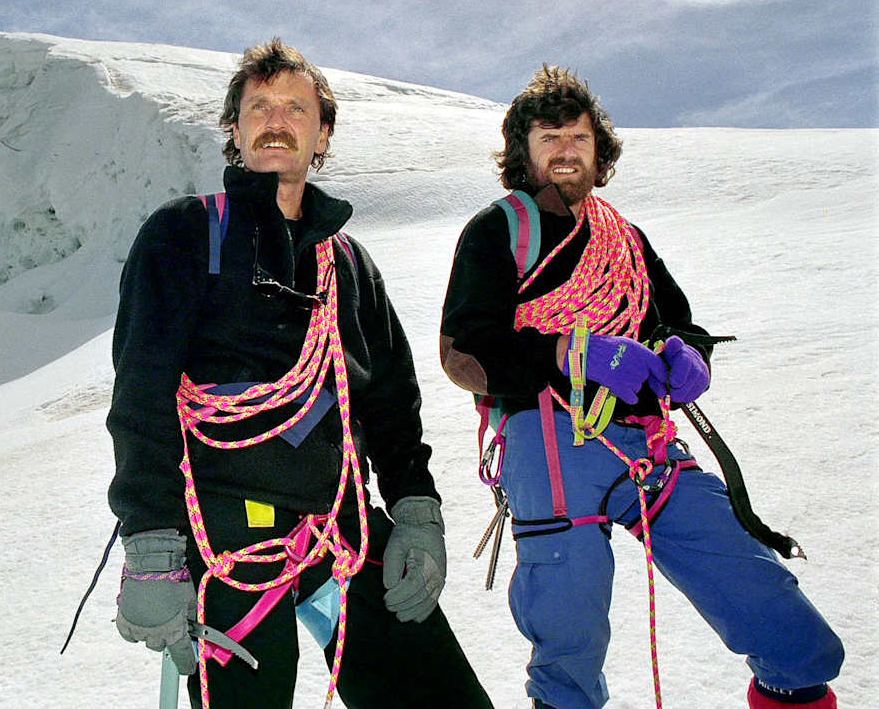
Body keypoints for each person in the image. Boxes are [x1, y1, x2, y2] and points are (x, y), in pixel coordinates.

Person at [439, 65, 844, 709]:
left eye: (579, 137)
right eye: (550, 137)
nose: (566, 150)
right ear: (524, 152)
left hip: (646, 445)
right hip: (548, 442)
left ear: (599, 152)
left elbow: (674, 320)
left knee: (765, 600)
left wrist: (689, 354)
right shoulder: (498, 232)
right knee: (568, 625)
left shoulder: (623, 238)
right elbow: (464, 354)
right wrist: (573, 354)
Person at [107, 39, 493, 709]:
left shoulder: (346, 265)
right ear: (235, 129)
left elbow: (392, 405)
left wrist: (415, 512)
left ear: (322, 135)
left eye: (295, 107)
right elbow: (141, 397)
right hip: (225, 541)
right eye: (259, 105)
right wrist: (151, 543)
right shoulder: (182, 235)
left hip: (341, 528)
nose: (276, 119)